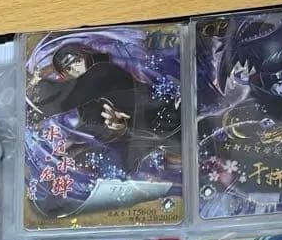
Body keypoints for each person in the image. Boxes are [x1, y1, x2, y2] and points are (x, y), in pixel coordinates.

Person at [29, 43, 180, 173]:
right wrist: (72, 145)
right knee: (125, 166)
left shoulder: (103, 72)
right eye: (69, 68)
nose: (75, 68)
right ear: (64, 74)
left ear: (86, 58)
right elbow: (95, 128)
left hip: (161, 114)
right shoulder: (86, 105)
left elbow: (72, 96)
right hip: (143, 136)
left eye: (77, 61)